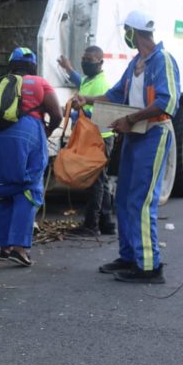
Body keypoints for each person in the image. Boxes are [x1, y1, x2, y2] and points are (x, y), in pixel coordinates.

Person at [71, 10, 180, 284]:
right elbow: (116, 94)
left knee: (141, 201)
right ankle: (129, 257)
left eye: (127, 32)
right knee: (124, 199)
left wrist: (130, 118)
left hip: (154, 135)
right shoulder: (136, 64)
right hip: (134, 135)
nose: (126, 37)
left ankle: (149, 267)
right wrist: (87, 99)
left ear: (135, 32)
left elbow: (167, 103)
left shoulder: (162, 60)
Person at [0, 47, 62, 267]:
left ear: (11, 64)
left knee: (0, 189)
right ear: (33, 66)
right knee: (28, 189)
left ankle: (5, 246)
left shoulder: (0, 83)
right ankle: (19, 248)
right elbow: (56, 113)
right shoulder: (39, 83)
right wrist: (48, 129)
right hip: (26, 133)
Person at [58, 46, 116, 236]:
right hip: (97, 137)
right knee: (102, 180)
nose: (85, 62)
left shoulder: (101, 85)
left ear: (100, 62)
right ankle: (107, 223)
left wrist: (78, 111)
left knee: (95, 182)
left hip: (99, 138)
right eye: (83, 58)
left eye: (89, 59)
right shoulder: (91, 80)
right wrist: (68, 68)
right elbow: (80, 81)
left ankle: (91, 225)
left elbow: (100, 112)